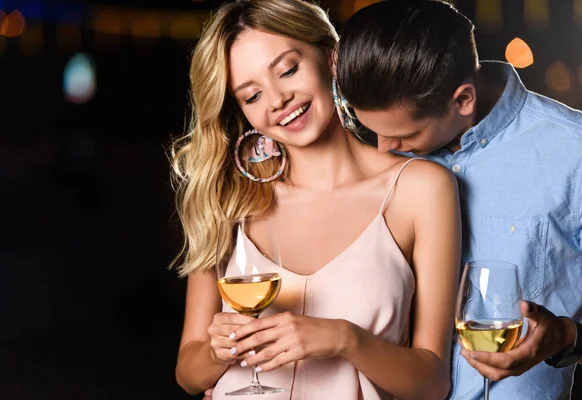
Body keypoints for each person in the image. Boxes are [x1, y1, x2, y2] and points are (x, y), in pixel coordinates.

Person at [169, 0, 461, 399]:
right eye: (251, 96)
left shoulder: (421, 188)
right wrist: (220, 352)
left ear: (331, 58)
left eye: (288, 69)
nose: (277, 100)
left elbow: (432, 383)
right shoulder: (229, 199)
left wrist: (345, 339)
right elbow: (188, 372)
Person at [335, 0, 582, 399]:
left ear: (463, 100)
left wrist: (565, 337)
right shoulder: (374, 151)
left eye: (404, 136)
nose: (383, 149)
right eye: (370, 129)